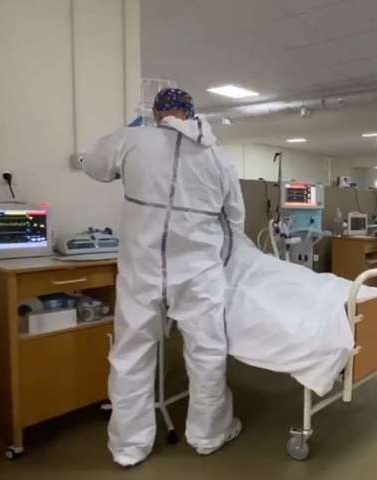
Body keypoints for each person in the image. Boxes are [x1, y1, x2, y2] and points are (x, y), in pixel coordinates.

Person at [82, 88, 244, 467]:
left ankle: (129, 447)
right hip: (199, 271)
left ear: (157, 113)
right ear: (192, 112)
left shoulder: (133, 139)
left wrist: (128, 139)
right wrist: (224, 261)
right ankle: (208, 435)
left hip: (143, 268)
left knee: (131, 355)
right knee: (206, 353)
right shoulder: (218, 157)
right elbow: (235, 220)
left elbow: (92, 164)